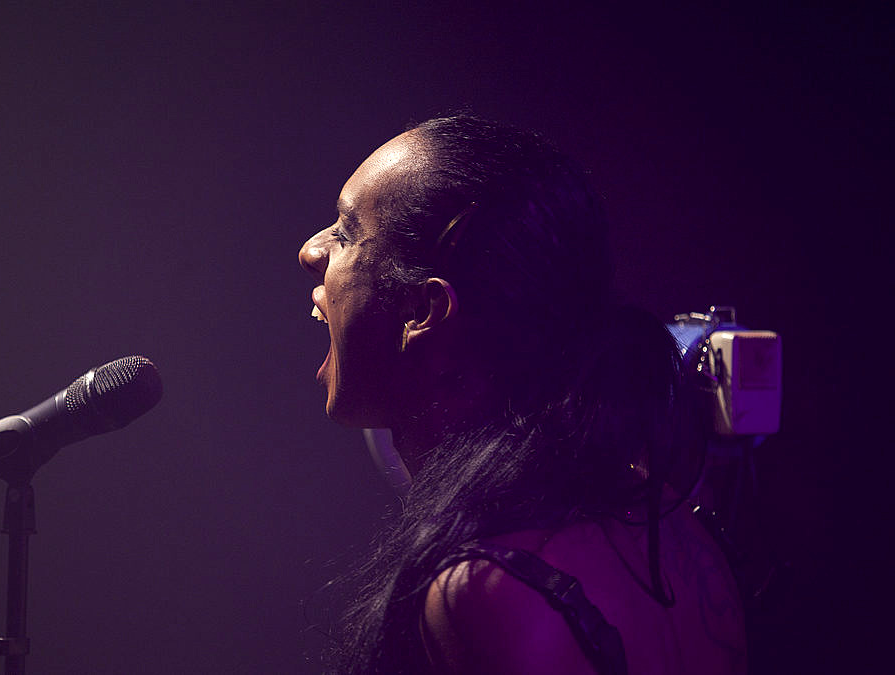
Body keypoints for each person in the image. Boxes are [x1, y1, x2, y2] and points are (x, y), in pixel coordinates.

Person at [298, 115, 746, 674]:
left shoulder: (482, 593)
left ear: (421, 312)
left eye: (345, 232)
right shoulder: (676, 532)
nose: (310, 252)